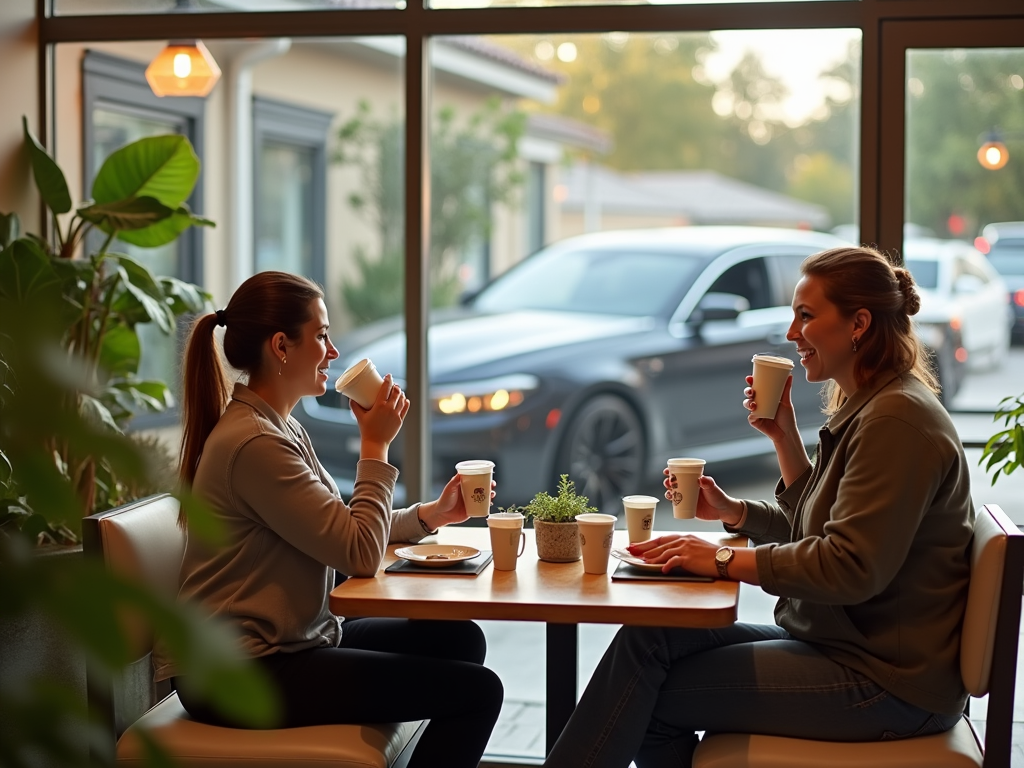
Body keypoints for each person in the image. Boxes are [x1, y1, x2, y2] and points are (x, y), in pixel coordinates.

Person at [543, 246, 974, 768]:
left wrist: (720, 560)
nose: (792, 334)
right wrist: (760, 475)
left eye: (806, 316)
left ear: (859, 323)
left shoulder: (896, 422)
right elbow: (817, 530)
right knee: (649, 638)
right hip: (845, 645)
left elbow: (848, 566)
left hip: (887, 683)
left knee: (647, 690)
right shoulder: (875, 405)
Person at [153, 271, 503, 768]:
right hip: (239, 672)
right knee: (478, 693)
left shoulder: (280, 425)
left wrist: (432, 515)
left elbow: (340, 527)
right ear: (281, 346)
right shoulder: (255, 443)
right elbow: (358, 554)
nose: (334, 351)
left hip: (293, 641)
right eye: (321, 335)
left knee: (460, 638)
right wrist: (375, 445)